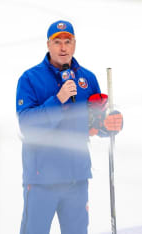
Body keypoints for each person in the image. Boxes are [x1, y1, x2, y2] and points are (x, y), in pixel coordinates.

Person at [15, 20, 123, 234]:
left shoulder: (88, 79)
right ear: (48, 44)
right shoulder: (29, 79)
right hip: (41, 180)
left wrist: (109, 124)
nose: (63, 48)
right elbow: (27, 125)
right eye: (57, 42)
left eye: (67, 41)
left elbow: (94, 124)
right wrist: (58, 99)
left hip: (77, 179)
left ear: (74, 44)